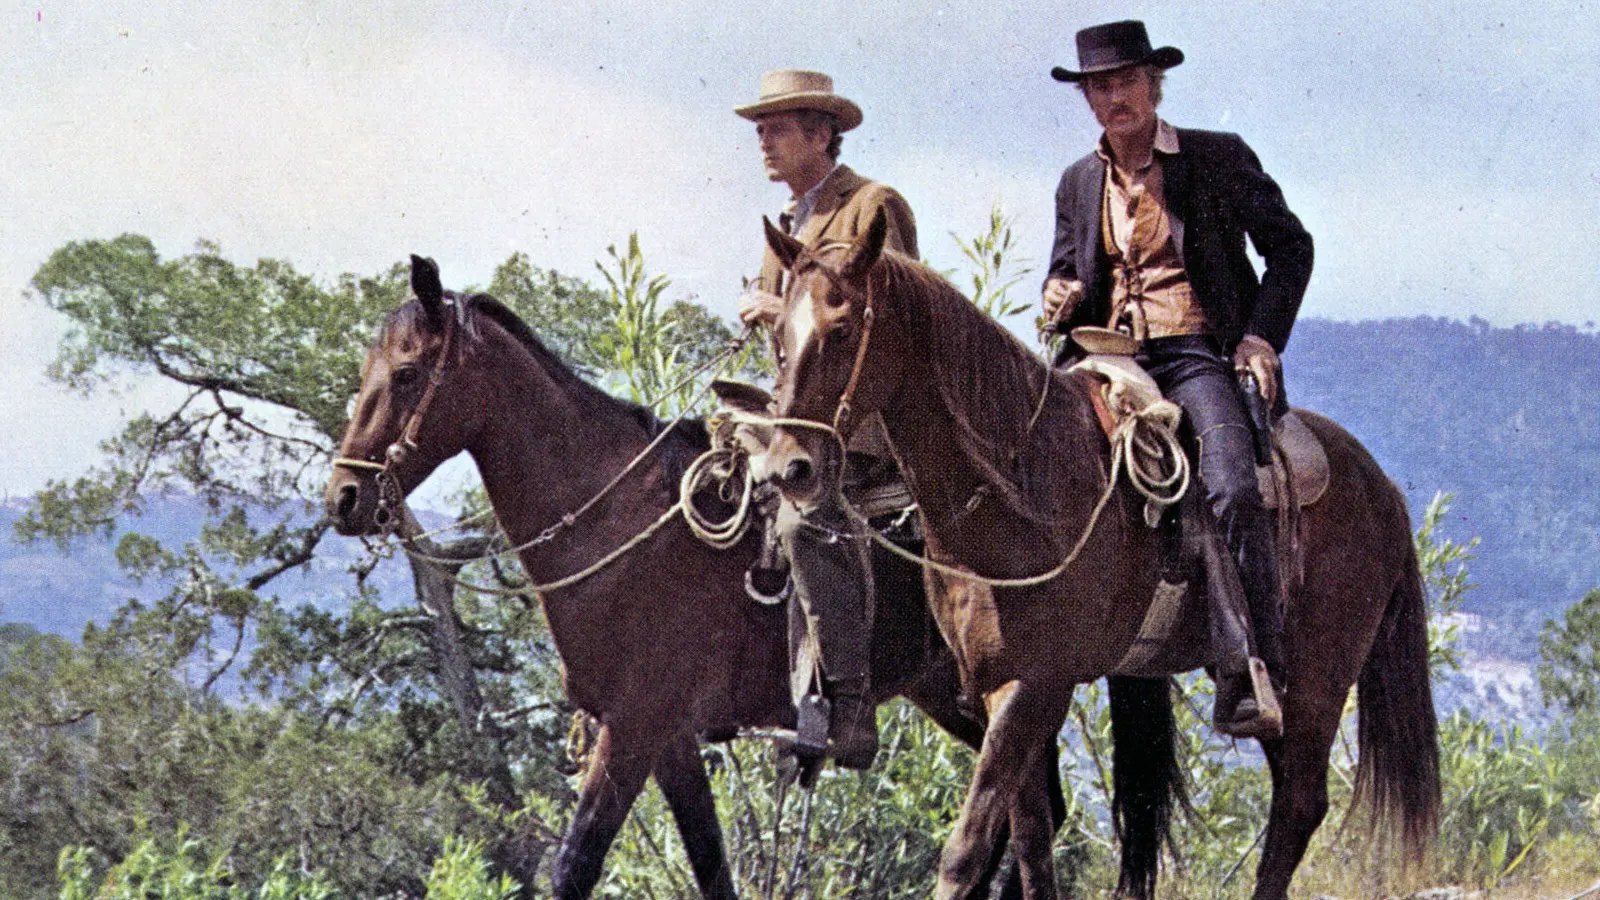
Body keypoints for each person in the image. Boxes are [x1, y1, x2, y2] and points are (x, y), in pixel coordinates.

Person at [1041, 21, 1314, 732]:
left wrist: (1259, 336)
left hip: (1193, 352)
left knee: (1227, 481)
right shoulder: (1078, 182)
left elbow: (1292, 249)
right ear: (1089, 100)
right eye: (1099, 87)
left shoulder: (1216, 160)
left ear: (1154, 86)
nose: (1113, 97)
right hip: (1103, 357)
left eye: (1125, 81)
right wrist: (1058, 293)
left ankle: (1254, 665)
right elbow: (1067, 268)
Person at [735, 69, 918, 769]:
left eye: (777, 128)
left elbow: (890, 321)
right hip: (796, 414)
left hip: (854, 424)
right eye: (760, 130)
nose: (763, 143)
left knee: (801, 518)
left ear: (821, 134)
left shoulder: (873, 206)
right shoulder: (787, 223)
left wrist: (782, 310)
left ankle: (844, 700)